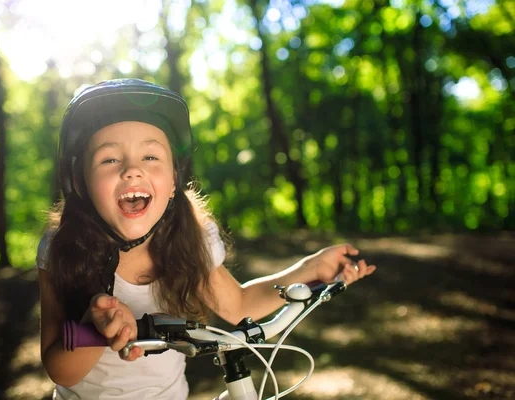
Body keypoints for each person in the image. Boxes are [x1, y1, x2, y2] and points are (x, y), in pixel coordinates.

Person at [36, 78, 376, 400]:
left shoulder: (189, 241)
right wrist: (95, 328)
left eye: (151, 156)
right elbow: (60, 371)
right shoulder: (63, 248)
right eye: (109, 159)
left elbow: (240, 305)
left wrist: (309, 268)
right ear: (79, 184)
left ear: (173, 182)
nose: (131, 169)